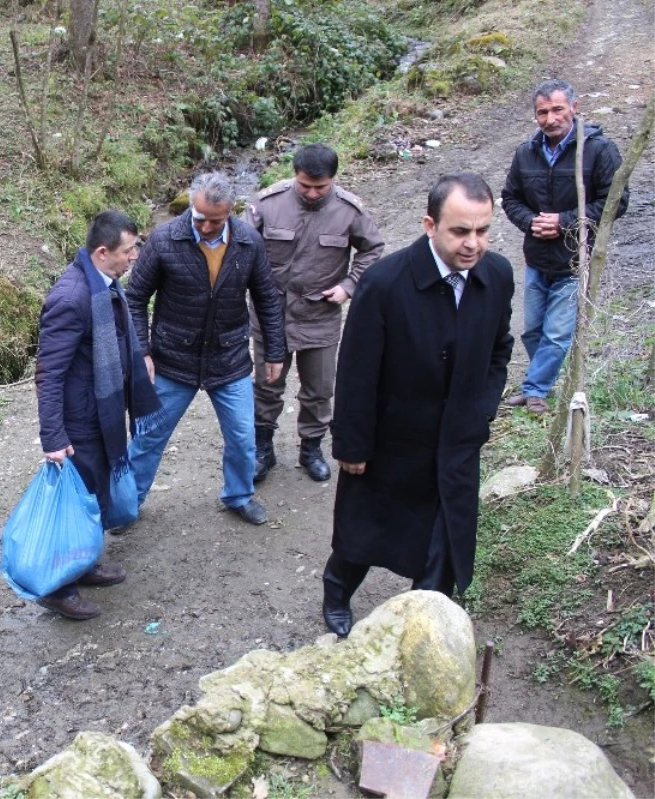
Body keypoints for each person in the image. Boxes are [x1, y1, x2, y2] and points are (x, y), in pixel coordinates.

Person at [323, 173, 514, 637]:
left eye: (483, 230)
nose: (473, 243)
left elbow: (499, 350)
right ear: (430, 224)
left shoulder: (497, 275)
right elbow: (356, 370)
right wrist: (352, 442)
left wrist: (481, 410)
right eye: (460, 231)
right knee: (366, 528)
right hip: (394, 437)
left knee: (445, 533)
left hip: (458, 437)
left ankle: (425, 618)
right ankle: (337, 589)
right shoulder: (387, 283)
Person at [125, 172, 286, 525]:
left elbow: (267, 299)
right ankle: (128, 504)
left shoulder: (248, 241)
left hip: (229, 359)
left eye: (217, 220)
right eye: (199, 218)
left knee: (244, 437)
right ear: (190, 204)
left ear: (231, 211)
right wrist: (144, 351)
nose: (207, 227)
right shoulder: (165, 238)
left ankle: (239, 495)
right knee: (148, 437)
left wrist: (275, 350)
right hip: (171, 360)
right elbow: (134, 298)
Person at [33, 210, 162, 620]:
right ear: (103, 252)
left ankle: (84, 565)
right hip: (79, 424)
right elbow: (48, 373)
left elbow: (123, 333)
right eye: (129, 250)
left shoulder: (105, 283)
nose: (135, 257)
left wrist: (139, 356)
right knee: (78, 505)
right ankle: (57, 588)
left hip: (100, 416)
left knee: (97, 498)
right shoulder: (70, 298)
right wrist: (53, 437)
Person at [241, 143, 385, 483]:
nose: (312, 192)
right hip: (271, 315)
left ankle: (311, 447)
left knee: (319, 388)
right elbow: (242, 247)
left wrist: (349, 285)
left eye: (320, 187)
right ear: (296, 175)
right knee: (266, 385)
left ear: (333, 180)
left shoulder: (349, 210)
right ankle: (263, 447)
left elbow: (373, 249)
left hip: (319, 314)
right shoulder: (267, 204)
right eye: (305, 185)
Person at [501, 79, 629, 415]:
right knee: (532, 329)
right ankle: (541, 381)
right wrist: (531, 221)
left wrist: (565, 222)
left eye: (557, 109)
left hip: (575, 258)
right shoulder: (526, 152)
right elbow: (511, 198)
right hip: (537, 258)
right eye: (542, 112)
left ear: (575, 107)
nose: (550, 118)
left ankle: (536, 390)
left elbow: (617, 201)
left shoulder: (599, 150)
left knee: (557, 334)